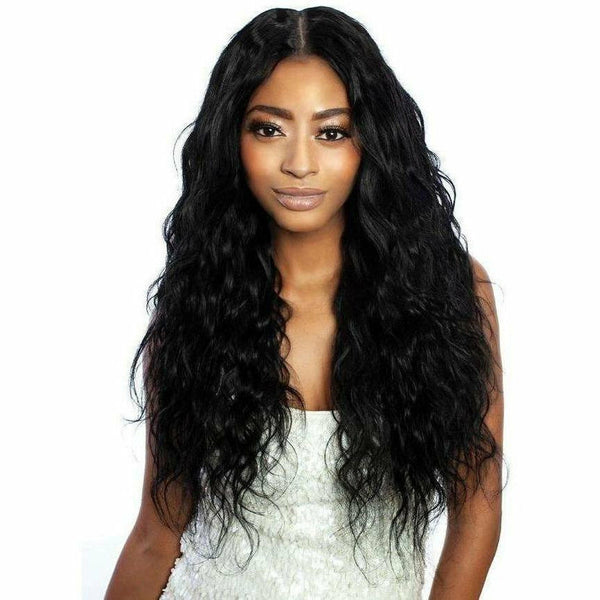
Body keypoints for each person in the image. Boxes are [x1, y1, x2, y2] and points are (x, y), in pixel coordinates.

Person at [105, 6, 505, 600]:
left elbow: (478, 510)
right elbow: (157, 532)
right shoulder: (199, 302)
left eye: (331, 132)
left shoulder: (449, 293)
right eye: (269, 129)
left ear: (373, 142)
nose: (299, 163)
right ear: (231, 140)